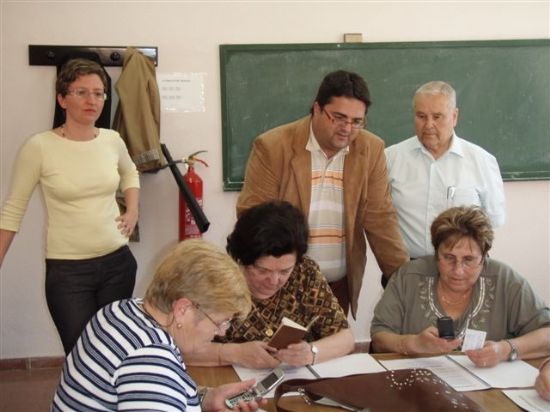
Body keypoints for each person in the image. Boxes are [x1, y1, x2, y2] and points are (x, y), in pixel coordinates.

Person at [237, 70, 409, 317]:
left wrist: (404, 281)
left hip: (337, 288)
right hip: (280, 286)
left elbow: (380, 218)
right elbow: (252, 218)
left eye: (357, 121)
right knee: (278, 354)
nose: (347, 129)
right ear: (316, 109)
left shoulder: (370, 149)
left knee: (332, 351)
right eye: (338, 117)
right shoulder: (273, 147)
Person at [0, 58, 140, 354]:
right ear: (62, 98)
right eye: (81, 92)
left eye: (99, 93)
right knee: (82, 355)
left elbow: (130, 172)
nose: (92, 100)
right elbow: (13, 210)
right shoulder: (38, 147)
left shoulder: (112, 140)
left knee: (115, 351)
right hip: (68, 273)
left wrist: (132, 210)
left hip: (118, 264)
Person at [53, 239, 264, 411]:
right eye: (219, 322)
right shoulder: (150, 360)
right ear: (183, 310)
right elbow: (153, 382)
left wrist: (206, 398)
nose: (222, 332)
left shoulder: (120, 310)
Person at [370, 206, 550, 368]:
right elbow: (379, 337)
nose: (458, 270)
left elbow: (546, 334)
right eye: (448, 257)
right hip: (418, 389)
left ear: (484, 257)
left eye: (469, 260)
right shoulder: (409, 277)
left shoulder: (506, 281)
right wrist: (413, 343)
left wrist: (505, 349)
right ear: (436, 253)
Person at [187, 201, 354, 369]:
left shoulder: (305, 273)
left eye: (284, 271)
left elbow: (345, 337)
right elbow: (181, 347)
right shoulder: (216, 281)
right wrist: (233, 353)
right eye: (262, 270)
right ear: (242, 260)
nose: (274, 281)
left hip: (292, 382)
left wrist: (312, 352)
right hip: (227, 381)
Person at [385, 80, 506, 258]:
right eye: (421, 116)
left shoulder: (482, 161)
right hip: (407, 269)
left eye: (437, 116)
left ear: (454, 116)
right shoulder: (390, 158)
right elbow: (378, 219)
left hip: (463, 270)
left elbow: (494, 220)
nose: (428, 125)